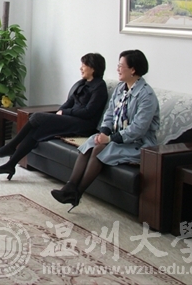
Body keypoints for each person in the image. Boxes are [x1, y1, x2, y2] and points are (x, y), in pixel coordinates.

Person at [51, 50, 160, 212]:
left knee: (100, 148)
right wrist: (104, 132)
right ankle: (70, 187)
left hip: (138, 144)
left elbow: (138, 129)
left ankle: (77, 193)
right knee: (92, 142)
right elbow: (109, 114)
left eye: (121, 66)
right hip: (117, 137)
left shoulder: (146, 95)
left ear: (133, 69)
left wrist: (109, 139)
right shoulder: (120, 88)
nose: (117, 69)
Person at [0, 53, 108, 180]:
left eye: (83, 65)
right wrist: (61, 112)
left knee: (37, 117)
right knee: (36, 131)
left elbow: (89, 112)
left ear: (93, 68)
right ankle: (10, 165)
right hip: (71, 119)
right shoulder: (81, 83)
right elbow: (68, 102)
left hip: (84, 124)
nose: (81, 68)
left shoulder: (100, 87)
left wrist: (65, 113)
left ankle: (11, 147)